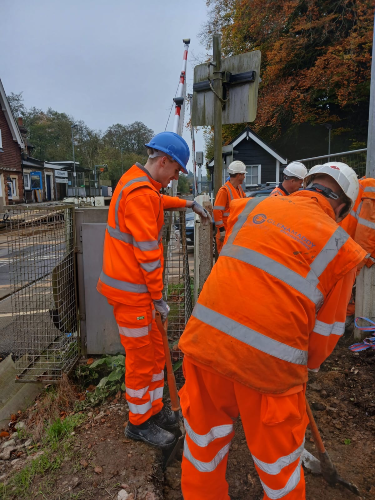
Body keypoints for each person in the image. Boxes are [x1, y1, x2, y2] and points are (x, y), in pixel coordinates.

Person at [178, 162, 366, 500]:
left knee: (203, 449)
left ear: (306, 184)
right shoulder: (341, 247)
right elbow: (325, 335)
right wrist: (304, 371)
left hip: (204, 344)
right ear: (343, 207)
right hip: (269, 371)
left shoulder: (251, 206)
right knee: (279, 468)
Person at [97, 131, 210, 449]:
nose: (175, 178)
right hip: (132, 293)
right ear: (164, 161)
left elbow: (158, 200)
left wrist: (188, 204)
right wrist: (158, 297)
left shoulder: (137, 182)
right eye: (176, 172)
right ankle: (138, 422)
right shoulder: (140, 195)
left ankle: (156, 409)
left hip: (135, 292)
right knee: (140, 358)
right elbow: (148, 254)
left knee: (156, 352)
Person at [339, 175, 375, 323]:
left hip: (344, 243)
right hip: (353, 248)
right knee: (349, 286)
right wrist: (365, 259)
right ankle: (347, 319)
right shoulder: (371, 191)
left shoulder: (361, 184)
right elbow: (367, 230)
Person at [213, 161, 246, 254]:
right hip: (226, 233)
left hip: (234, 232)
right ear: (238, 175)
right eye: (243, 174)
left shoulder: (239, 189)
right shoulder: (224, 190)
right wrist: (221, 230)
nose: (244, 177)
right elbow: (216, 211)